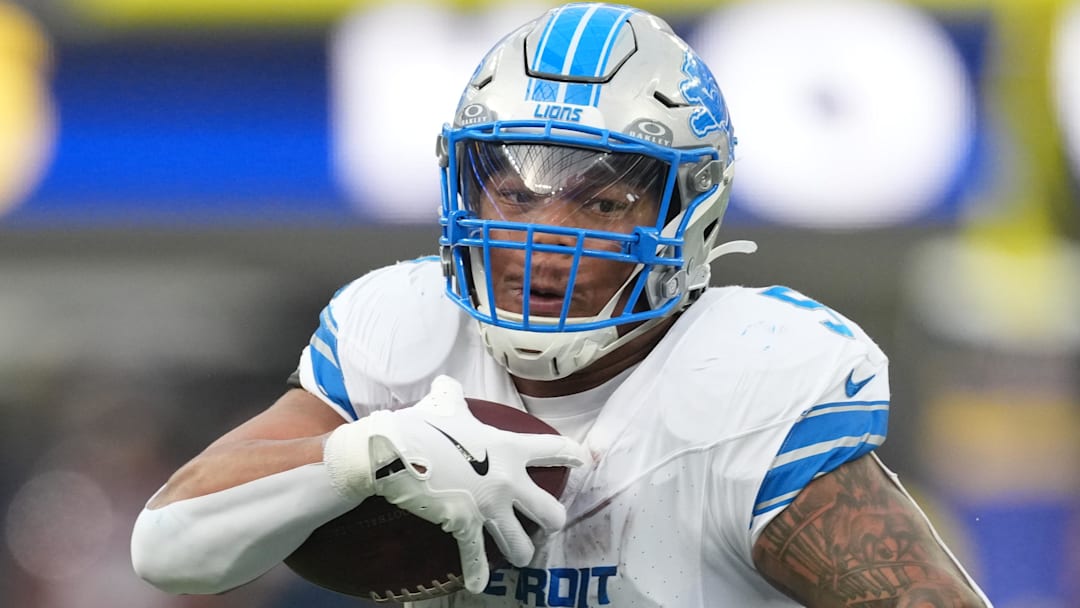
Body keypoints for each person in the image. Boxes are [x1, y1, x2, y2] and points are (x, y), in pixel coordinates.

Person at [131, 3, 993, 606]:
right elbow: (169, 549)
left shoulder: (750, 385)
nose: (546, 234)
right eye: (513, 192)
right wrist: (365, 454)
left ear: (689, 216)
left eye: (601, 201)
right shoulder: (400, 333)